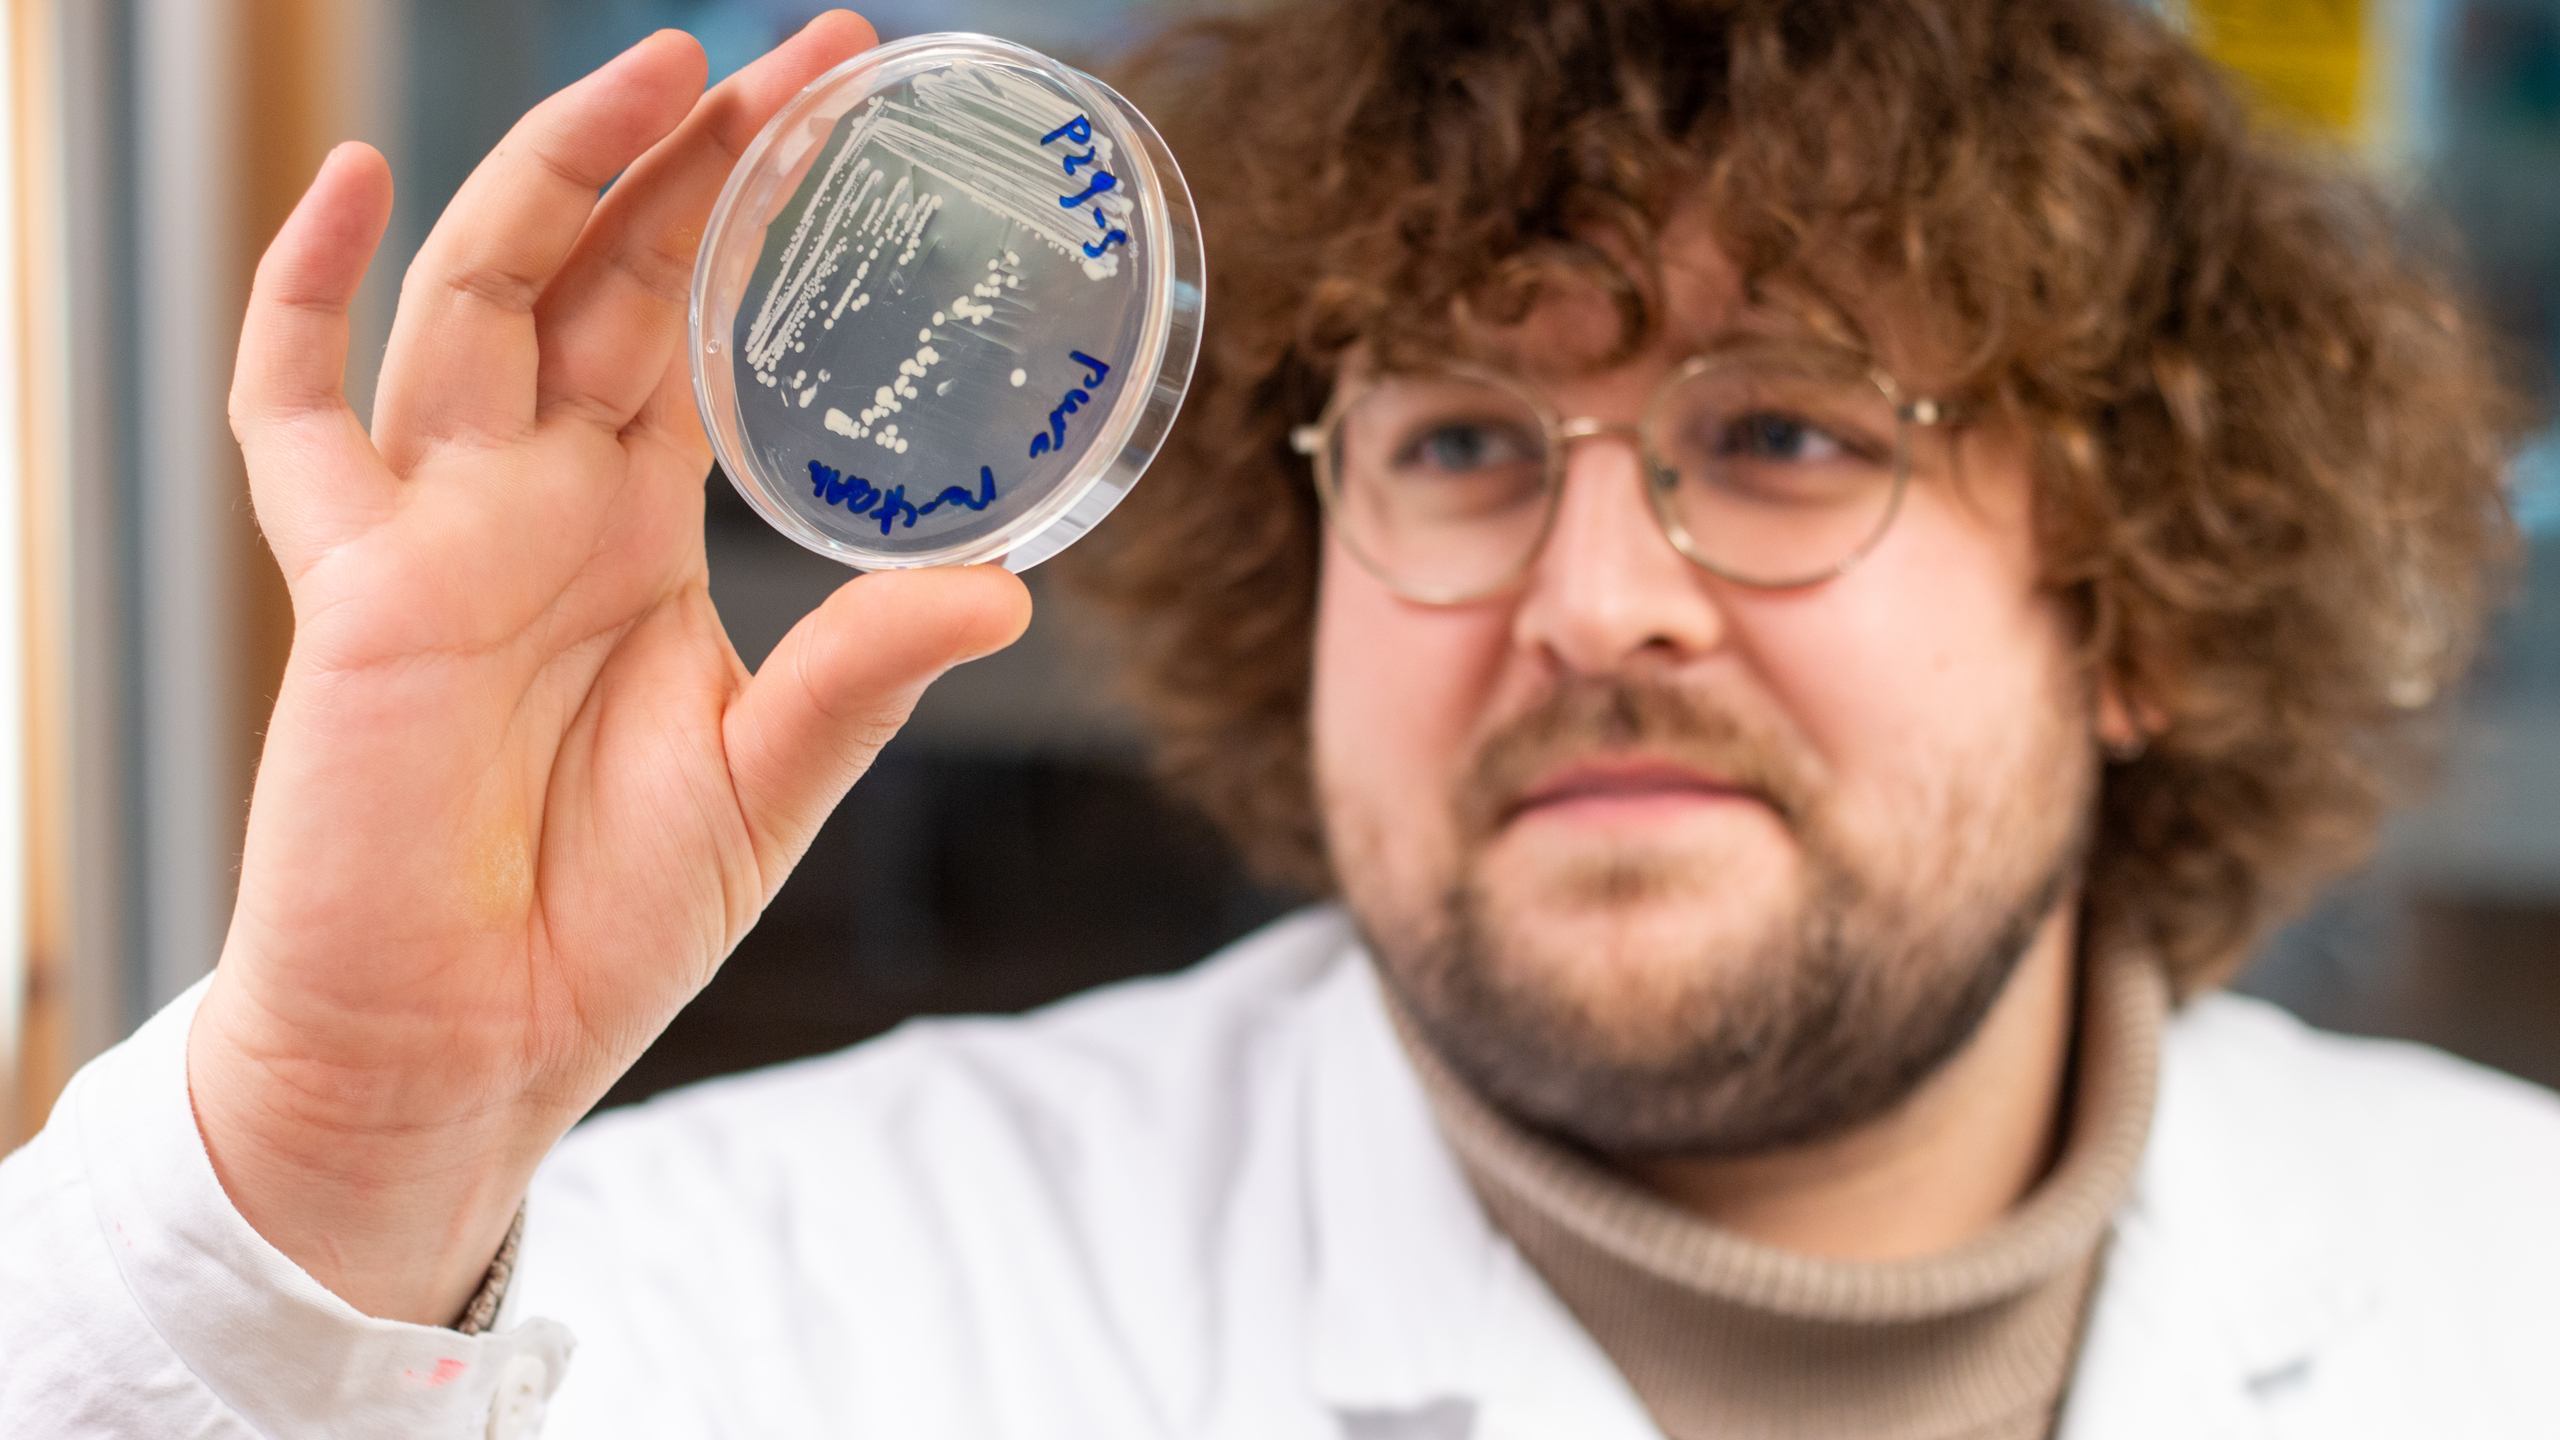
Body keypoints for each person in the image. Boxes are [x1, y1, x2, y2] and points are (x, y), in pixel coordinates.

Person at [3, 1, 2555, 1435]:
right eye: (1454, 444)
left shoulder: (2507, 1289)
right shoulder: (796, 1303)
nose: (1592, 600)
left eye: (1780, 435)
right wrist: (342, 1162)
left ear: (2132, 603)